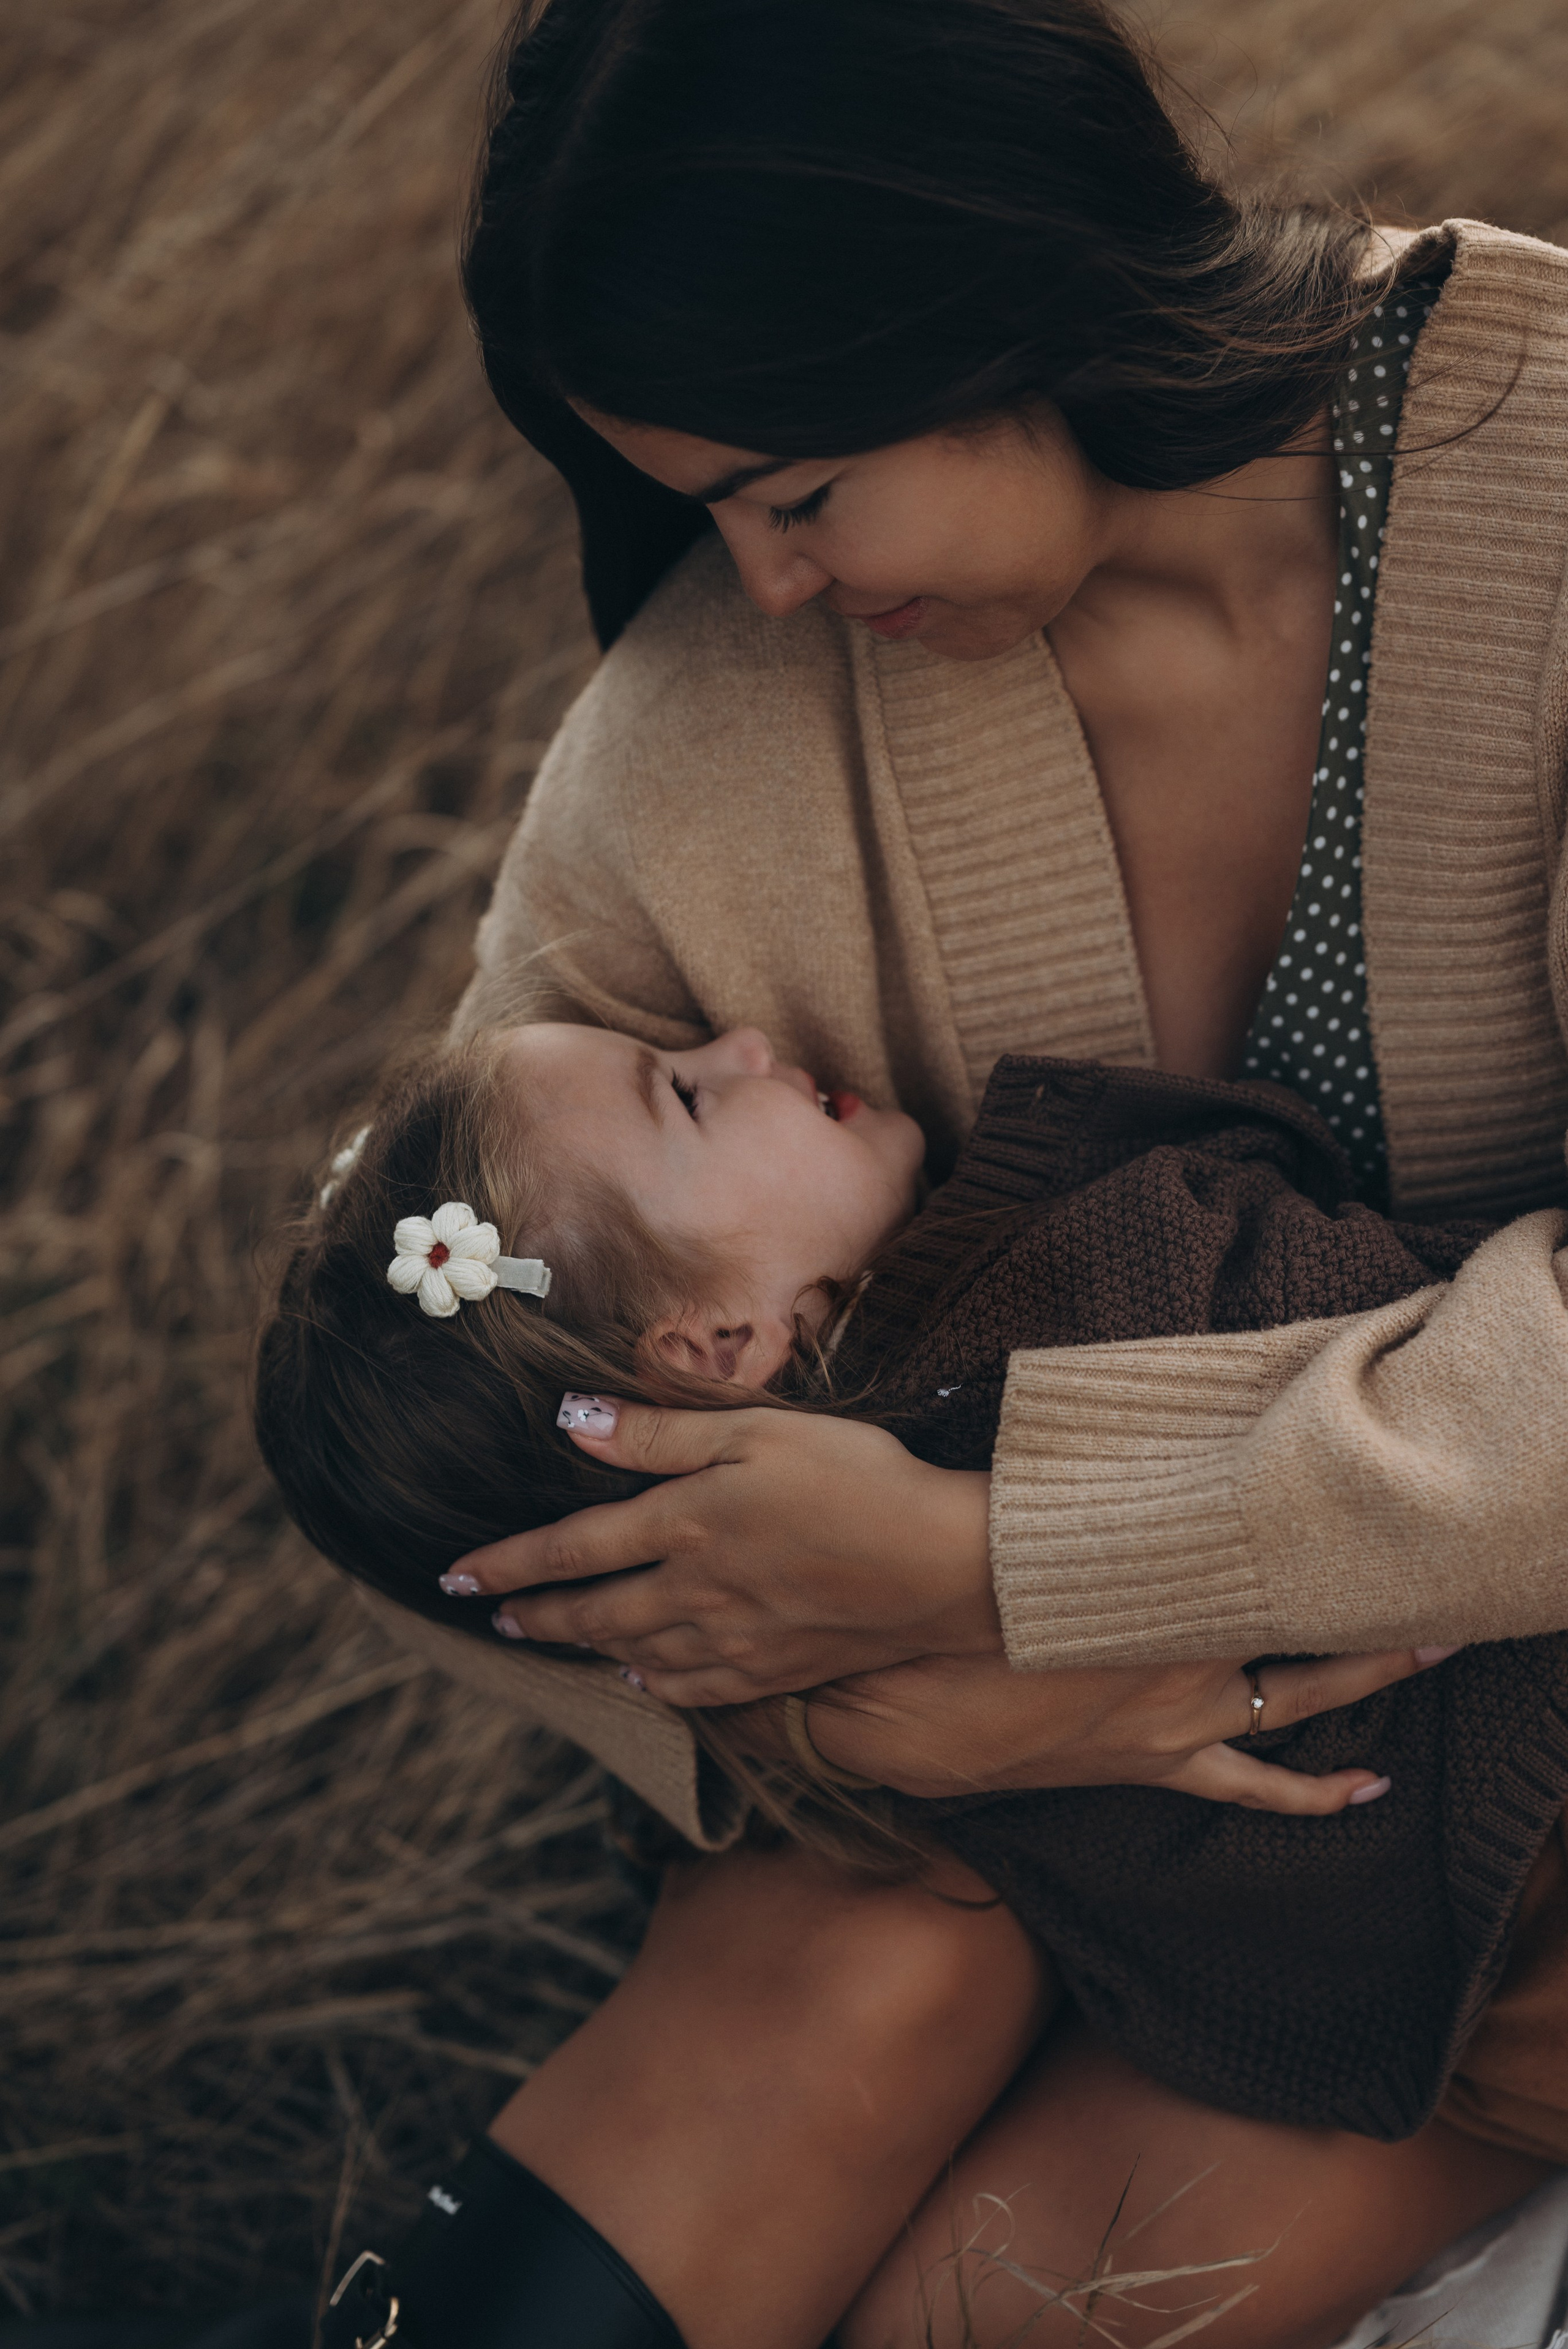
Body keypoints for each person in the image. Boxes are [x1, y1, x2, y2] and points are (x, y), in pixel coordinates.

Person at [300, 0, 1568, 2339]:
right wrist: (880, 1710)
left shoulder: (1548, 487)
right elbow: (422, 1353)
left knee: (998, 2308)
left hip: (1514, 1802)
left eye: (793, 490)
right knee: (855, 1975)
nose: (760, 587)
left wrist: (1022, 1561)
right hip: (1026, 1818)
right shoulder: (718, 718)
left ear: (1006, 294)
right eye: (704, 514)